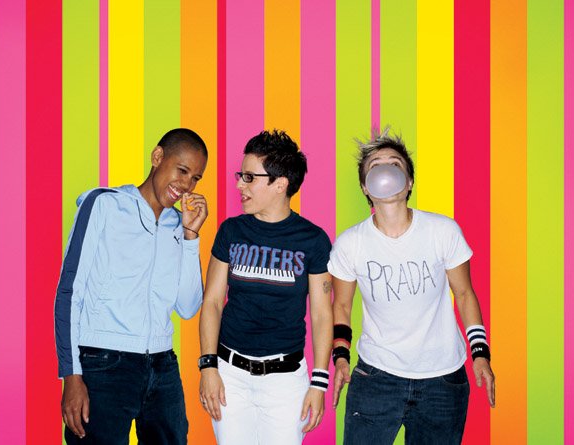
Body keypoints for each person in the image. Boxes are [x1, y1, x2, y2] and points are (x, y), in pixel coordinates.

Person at [329, 128, 495, 445]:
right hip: (376, 376)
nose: (386, 171)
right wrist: (340, 357)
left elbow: (464, 294)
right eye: (376, 166)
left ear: (408, 181)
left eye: (395, 164)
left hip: (443, 380)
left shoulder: (442, 231)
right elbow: (342, 306)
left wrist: (480, 354)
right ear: (365, 186)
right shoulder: (350, 244)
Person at [54, 128, 209, 445]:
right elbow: (70, 292)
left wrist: (191, 236)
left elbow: (188, 307)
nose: (186, 185)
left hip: (162, 367)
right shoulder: (104, 205)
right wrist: (71, 374)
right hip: (104, 364)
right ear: (157, 157)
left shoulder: (178, 225)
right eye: (182, 170)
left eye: (195, 178)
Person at [198, 130, 333, 444]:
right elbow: (213, 302)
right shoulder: (231, 231)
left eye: (249, 177)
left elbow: (321, 314)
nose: (239, 185)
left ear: (280, 184)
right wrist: (208, 366)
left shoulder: (313, 240)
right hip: (229, 376)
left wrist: (319, 383)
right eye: (240, 176)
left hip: (285, 382)